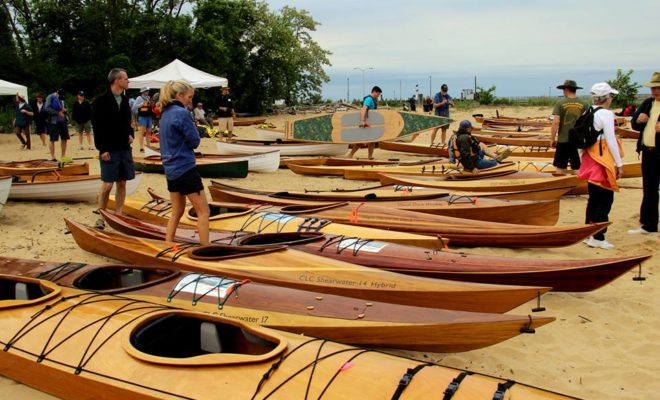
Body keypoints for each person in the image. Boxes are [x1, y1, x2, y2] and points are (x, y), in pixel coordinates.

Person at [158, 80, 210, 245]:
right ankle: (205, 248)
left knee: (176, 212)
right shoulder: (181, 113)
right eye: (189, 97)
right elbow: (194, 141)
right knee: (204, 212)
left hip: (170, 170)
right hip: (185, 168)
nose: (190, 101)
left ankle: (168, 243)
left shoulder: (164, 114)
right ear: (179, 95)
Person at [578, 82, 624, 249]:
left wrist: (582, 159)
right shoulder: (606, 114)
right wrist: (619, 164)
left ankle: (588, 233)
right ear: (606, 98)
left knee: (594, 198)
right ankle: (598, 237)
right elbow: (611, 140)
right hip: (602, 158)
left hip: (589, 157)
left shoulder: (588, 111)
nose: (611, 99)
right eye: (610, 96)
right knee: (605, 198)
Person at [92, 68, 135, 228]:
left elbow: (127, 121)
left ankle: (118, 214)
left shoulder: (125, 100)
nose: (128, 81)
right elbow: (97, 127)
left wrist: (130, 133)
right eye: (126, 78)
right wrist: (102, 149)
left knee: (122, 183)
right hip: (108, 148)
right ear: (117, 80)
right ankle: (101, 216)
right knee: (107, 185)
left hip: (124, 147)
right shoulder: (100, 101)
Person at [629, 71, 660, 235]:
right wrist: (637, 120)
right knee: (649, 189)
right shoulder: (648, 103)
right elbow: (634, 125)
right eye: (653, 88)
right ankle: (649, 225)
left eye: (658, 88)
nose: (655, 91)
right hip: (649, 152)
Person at [550, 80, 589, 174]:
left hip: (563, 139)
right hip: (578, 140)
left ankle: (560, 186)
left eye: (563, 90)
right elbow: (588, 122)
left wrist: (552, 138)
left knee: (560, 166)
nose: (563, 92)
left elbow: (556, 122)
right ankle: (580, 185)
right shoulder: (585, 104)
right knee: (577, 166)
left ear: (567, 89)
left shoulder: (560, 103)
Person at [347, 85, 382, 159]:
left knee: (373, 140)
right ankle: (350, 155)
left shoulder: (373, 100)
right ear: (374, 92)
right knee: (361, 141)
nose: (378, 96)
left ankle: (370, 157)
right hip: (365, 123)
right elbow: (364, 109)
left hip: (370, 123)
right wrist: (362, 121)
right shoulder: (369, 99)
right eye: (378, 94)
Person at [44, 89, 69, 160]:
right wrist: (57, 113)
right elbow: (47, 108)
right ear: (57, 93)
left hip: (63, 121)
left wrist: (65, 110)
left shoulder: (62, 98)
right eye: (60, 96)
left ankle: (63, 156)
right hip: (53, 122)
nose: (61, 97)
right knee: (53, 139)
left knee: (65, 138)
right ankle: (53, 156)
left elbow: (65, 107)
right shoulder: (50, 97)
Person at [132, 87, 153, 152]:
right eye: (147, 91)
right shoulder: (139, 98)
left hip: (149, 116)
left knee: (149, 131)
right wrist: (142, 103)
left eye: (148, 91)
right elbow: (134, 107)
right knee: (142, 132)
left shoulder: (148, 98)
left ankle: (148, 146)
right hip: (142, 116)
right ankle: (141, 147)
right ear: (143, 92)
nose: (148, 92)